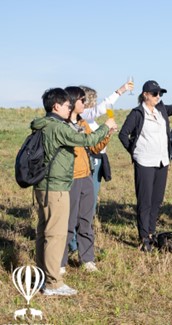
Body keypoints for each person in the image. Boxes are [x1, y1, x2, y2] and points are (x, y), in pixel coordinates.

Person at [32, 88, 116, 296]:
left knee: (45, 232)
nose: (71, 107)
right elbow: (86, 141)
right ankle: (53, 282)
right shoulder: (58, 127)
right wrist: (106, 126)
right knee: (57, 234)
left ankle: (44, 275)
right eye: (69, 104)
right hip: (57, 186)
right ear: (57, 106)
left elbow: (90, 144)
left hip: (47, 185)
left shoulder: (46, 125)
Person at [118, 79, 172, 251]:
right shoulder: (137, 113)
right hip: (144, 161)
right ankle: (144, 237)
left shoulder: (161, 110)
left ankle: (151, 232)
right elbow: (123, 134)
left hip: (162, 161)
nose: (158, 96)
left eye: (160, 93)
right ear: (145, 95)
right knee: (144, 201)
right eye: (155, 94)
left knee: (156, 200)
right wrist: (134, 152)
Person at [66, 82, 132, 253]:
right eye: (90, 100)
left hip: (99, 158)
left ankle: (81, 241)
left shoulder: (89, 119)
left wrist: (109, 129)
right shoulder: (84, 115)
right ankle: (73, 243)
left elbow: (105, 112)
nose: (93, 103)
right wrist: (120, 91)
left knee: (90, 202)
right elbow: (103, 108)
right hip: (88, 161)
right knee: (80, 204)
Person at [59, 86, 113, 275]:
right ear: (73, 103)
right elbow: (83, 142)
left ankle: (87, 259)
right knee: (68, 221)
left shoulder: (83, 123)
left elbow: (95, 147)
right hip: (69, 178)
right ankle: (60, 262)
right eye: (82, 100)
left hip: (86, 176)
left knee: (85, 220)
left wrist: (108, 133)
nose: (86, 103)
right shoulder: (61, 125)